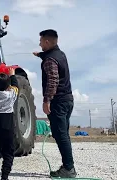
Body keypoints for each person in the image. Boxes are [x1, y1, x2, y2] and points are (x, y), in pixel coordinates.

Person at [33, 29, 77, 178]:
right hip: (68, 100)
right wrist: (40, 55)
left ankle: (69, 169)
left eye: (41, 41)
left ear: (46, 41)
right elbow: (49, 57)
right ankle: (68, 166)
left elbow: (53, 81)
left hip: (58, 102)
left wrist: (47, 100)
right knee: (63, 133)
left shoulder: (50, 60)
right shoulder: (60, 54)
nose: (39, 44)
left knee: (60, 135)